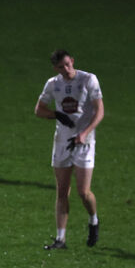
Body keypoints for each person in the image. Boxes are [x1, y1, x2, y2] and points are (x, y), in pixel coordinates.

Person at [34, 49, 104, 249]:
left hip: (84, 143)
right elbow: (38, 110)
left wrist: (85, 133)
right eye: (61, 67)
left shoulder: (88, 79)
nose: (66, 69)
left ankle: (93, 220)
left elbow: (100, 111)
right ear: (55, 68)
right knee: (62, 192)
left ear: (72, 61)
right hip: (62, 142)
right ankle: (60, 239)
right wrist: (56, 114)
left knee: (83, 192)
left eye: (67, 64)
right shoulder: (53, 84)